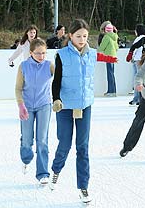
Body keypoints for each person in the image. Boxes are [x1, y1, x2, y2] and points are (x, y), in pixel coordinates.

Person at [49, 19, 117, 204]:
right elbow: (56, 81)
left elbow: (103, 57)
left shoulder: (91, 54)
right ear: (70, 36)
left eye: (85, 36)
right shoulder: (61, 55)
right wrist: (56, 99)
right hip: (64, 106)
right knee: (64, 144)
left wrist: (113, 58)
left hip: (84, 105)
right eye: (78, 36)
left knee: (82, 147)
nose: (82, 39)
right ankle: (56, 170)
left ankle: (83, 187)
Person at [15, 38, 54, 185]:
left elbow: (59, 82)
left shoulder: (49, 65)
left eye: (44, 53)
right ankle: (25, 158)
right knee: (27, 140)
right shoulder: (23, 66)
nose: (41, 56)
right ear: (31, 53)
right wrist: (21, 105)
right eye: (38, 53)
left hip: (44, 105)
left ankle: (43, 173)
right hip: (27, 106)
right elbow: (18, 88)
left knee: (42, 140)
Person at [98, 23, 119, 97]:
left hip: (108, 56)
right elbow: (117, 48)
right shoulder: (115, 37)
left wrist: (99, 50)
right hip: (113, 56)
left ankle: (111, 91)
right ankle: (113, 90)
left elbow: (101, 47)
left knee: (109, 74)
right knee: (112, 74)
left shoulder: (106, 37)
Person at [128, 24, 145, 106]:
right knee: (139, 79)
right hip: (140, 59)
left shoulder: (139, 38)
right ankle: (138, 97)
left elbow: (135, 48)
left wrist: (132, 57)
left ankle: (138, 98)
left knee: (138, 79)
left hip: (138, 60)